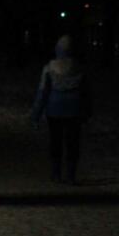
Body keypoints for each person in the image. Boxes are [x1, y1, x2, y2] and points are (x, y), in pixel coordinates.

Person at [31, 34, 92, 183]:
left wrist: (36, 114)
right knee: (73, 143)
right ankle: (71, 175)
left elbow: (43, 92)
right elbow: (86, 93)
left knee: (55, 142)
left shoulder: (49, 68)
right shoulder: (79, 68)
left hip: (54, 110)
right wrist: (87, 111)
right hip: (74, 110)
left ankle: (56, 173)